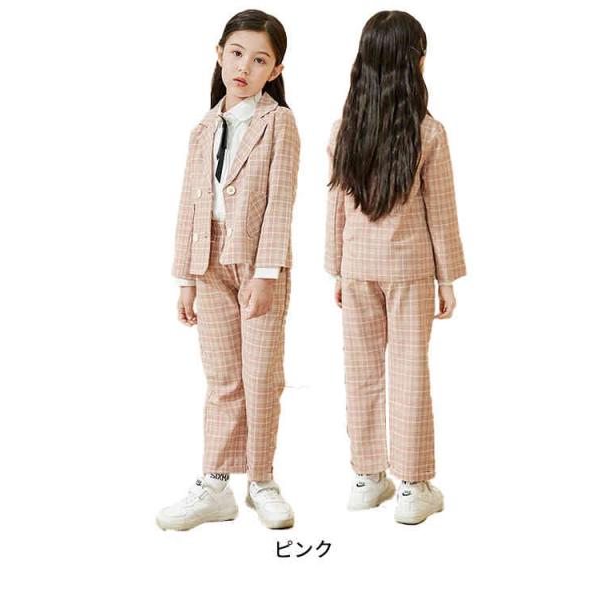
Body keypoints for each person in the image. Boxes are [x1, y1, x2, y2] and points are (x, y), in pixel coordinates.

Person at [157, 9, 300, 531]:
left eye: (259, 60)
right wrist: (185, 280)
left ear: (275, 70)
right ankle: (215, 484)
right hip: (207, 262)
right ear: (219, 54)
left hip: (257, 264)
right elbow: (189, 203)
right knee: (222, 379)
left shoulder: (279, 123)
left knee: (261, 377)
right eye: (236, 54)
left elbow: (281, 201)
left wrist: (266, 272)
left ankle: (261, 481)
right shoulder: (203, 128)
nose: (244, 67)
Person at [325, 11, 467, 525]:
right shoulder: (429, 132)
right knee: (409, 372)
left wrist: (337, 269)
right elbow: (441, 211)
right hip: (410, 269)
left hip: (357, 267)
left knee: (361, 372)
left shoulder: (345, 128)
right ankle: (412, 485)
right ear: (417, 63)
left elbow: (336, 204)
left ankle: (366, 478)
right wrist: (447, 279)